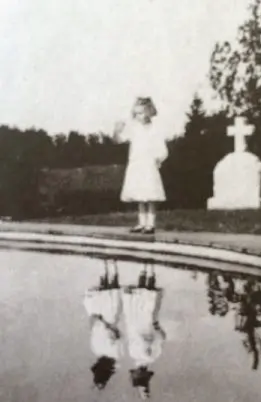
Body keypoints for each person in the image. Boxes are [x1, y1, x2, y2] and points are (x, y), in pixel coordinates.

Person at [114, 97, 168, 234]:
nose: (139, 116)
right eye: (136, 113)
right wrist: (117, 131)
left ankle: (151, 224)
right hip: (137, 163)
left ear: (149, 112)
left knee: (150, 196)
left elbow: (162, 148)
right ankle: (141, 223)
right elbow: (119, 140)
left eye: (142, 113)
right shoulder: (134, 128)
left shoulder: (155, 128)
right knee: (140, 195)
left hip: (148, 163)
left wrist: (158, 158)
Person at [123, 263, 166, 399]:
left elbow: (131, 335)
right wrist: (155, 326)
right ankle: (150, 267)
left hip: (134, 321)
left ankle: (143, 267)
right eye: (136, 375)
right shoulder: (150, 356)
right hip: (145, 324)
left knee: (138, 298)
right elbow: (160, 338)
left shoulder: (134, 355)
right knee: (148, 301)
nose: (134, 373)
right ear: (141, 374)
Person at [83, 259, 122, 390]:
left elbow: (93, 331)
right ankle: (112, 263)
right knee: (112, 291)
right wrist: (105, 324)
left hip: (101, 318)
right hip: (109, 318)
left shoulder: (97, 350)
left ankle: (103, 263)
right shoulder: (114, 354)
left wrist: (96, 320)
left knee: (103, 290)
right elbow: (117, 335)